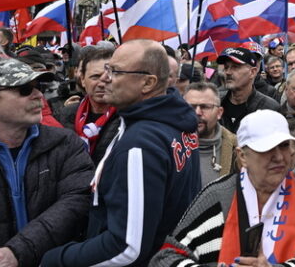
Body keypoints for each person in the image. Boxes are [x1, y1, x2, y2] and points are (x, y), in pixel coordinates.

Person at [41, 39, 201, 267]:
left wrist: (55, 260)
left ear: (148, 82)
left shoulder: (141, 144)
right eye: (107, 69)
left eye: (115, 71)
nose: (105, 78)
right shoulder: (169, 120)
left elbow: (127, 248)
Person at [152, 110, 295, 266]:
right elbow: (166, 258)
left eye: (284, 146)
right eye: (266, 148)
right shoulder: (218, 195)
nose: (278, 157)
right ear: (242, 156)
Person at [0, 58, 94, 266]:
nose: (38, 95)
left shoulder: (64, 143)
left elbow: (78, 200)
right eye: (24, 89)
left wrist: (17, 251)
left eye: (39, 87)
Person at [58, 47, 118, 165]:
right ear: (83, 80)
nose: (102, 83)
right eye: (95, 76)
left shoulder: (128, 117)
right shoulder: (67, 114)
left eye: (109, 76)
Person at [184, 81, 237, 185]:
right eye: (191, 107)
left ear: (219, 113)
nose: (197, 112)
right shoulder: (168, 145)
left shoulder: (236, 149)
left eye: (205, 107)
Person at [217, 47, 280, 133]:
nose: (228, 72)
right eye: (226, 67)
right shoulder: (216, 104)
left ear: (253, 72)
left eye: (235, 67)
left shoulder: (270, 108)